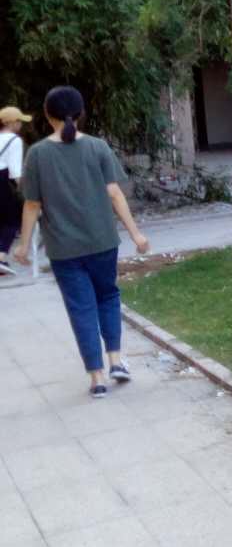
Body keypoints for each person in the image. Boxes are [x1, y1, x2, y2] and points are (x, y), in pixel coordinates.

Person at [12, 87, 150, 399]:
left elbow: (32, 205)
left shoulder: (37, 154)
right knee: (108, 297)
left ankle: (97, 378)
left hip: (64, 250)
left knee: (81, 309)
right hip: (103, 242)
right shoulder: (98, 147)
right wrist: (136, 234)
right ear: (81, 113)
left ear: (47, 115)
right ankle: (116, 361)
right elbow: (114, 193)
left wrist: (22, 246)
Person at [0, 105, 32, 272]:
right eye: (19, 120)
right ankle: (1, 257)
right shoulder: (14, 140)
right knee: (13, 220)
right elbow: (15, 172)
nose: (21, 124)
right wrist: (27, 192)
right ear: (10, 122)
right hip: (3, 181)